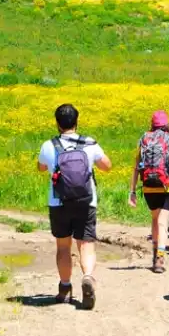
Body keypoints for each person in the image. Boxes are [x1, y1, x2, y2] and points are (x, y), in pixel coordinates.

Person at [37, 103, 112, 309]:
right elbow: (107, 166)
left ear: (57, 123)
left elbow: (40, 167)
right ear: (76, 122)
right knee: (85, 243)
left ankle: (64, 287)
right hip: (86, 201)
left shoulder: (48, 145)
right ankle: (87, 276)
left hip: (58, 202)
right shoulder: (89, 144)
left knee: (63, 246)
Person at [129, 110, 169, 274]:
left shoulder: (143, 140)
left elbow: (136, 167)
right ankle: (160, 257)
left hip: (149, 186)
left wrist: (132, 191)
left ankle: (154, 254)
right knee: (163, 222)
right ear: (167, 125)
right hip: (168, 187)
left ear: (152, 124)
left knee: (155, 219)